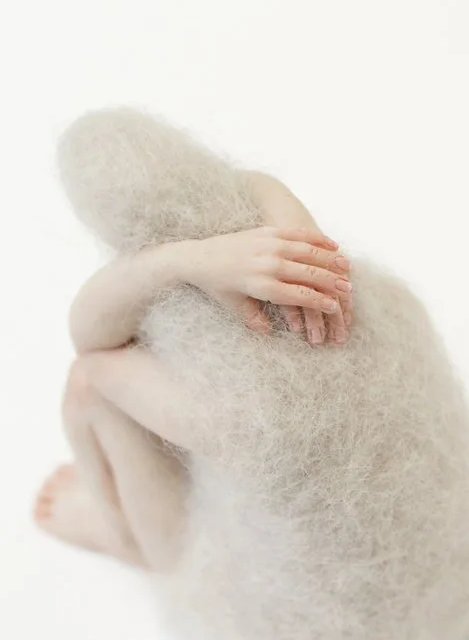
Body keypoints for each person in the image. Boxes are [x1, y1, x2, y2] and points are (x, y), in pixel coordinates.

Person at [33, 172, 354, 569]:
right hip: (439, 572)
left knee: (86, 387)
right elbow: (255, 182)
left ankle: (124, 538)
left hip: (298, 610)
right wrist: (281, 209)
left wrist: (185, 261)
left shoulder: (244, 412)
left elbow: (92, 349)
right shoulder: (348, 289)